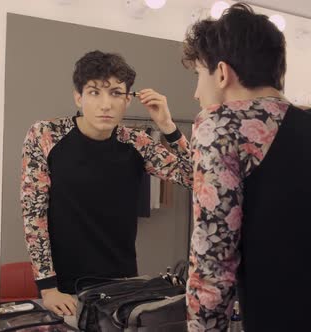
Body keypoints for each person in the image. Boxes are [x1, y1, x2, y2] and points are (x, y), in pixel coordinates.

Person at [182, 3, 311, 331]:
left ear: (222, 73)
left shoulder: (221, 124)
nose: (197, 92)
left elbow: (213, 263)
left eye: (199, 74)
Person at [20, 50, 192, 317]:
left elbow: (197, 177)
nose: (105, 104)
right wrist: (48, 287)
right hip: (63, 286)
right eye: (94, 92)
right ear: (78, 97)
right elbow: (34, 213)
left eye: (115, 93)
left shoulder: (137, 142)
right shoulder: (46, 135)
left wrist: (168, 127)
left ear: (128, 100)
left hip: (122, 282)